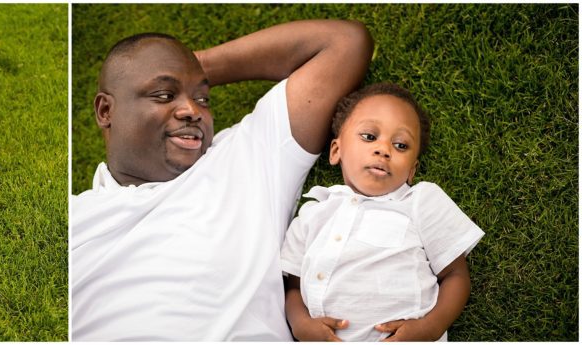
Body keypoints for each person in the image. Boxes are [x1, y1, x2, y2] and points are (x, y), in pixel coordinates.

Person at [71, 20, 373, 340]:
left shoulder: (247, 158)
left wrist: (191, 67)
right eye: (163, 94)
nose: (191, 110)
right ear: (106, 111)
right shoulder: (74, 219)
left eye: (203, 98)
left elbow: (344, 43)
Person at [280, 83, 484, 341]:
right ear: (336, 151)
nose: (383, 149)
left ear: (412, 170)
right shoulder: (313, 212)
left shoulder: (419, 201)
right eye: (368, 136)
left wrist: (430, 328)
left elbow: (456, 276)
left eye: (400, 145)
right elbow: (294, 287)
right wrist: (300, 324)